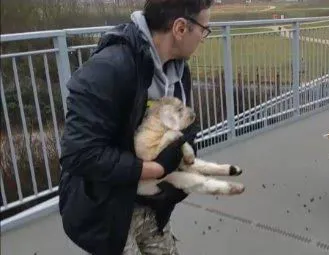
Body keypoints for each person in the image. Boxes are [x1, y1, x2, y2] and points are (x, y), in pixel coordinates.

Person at [58, 0, 213, 254]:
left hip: (152, 206)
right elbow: (79, 154)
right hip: (107, 210)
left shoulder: (179, 71)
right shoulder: (109, 68)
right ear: (180, 28)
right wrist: (155, 168)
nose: (204, 38)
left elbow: (187, 125)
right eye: (204, 29)